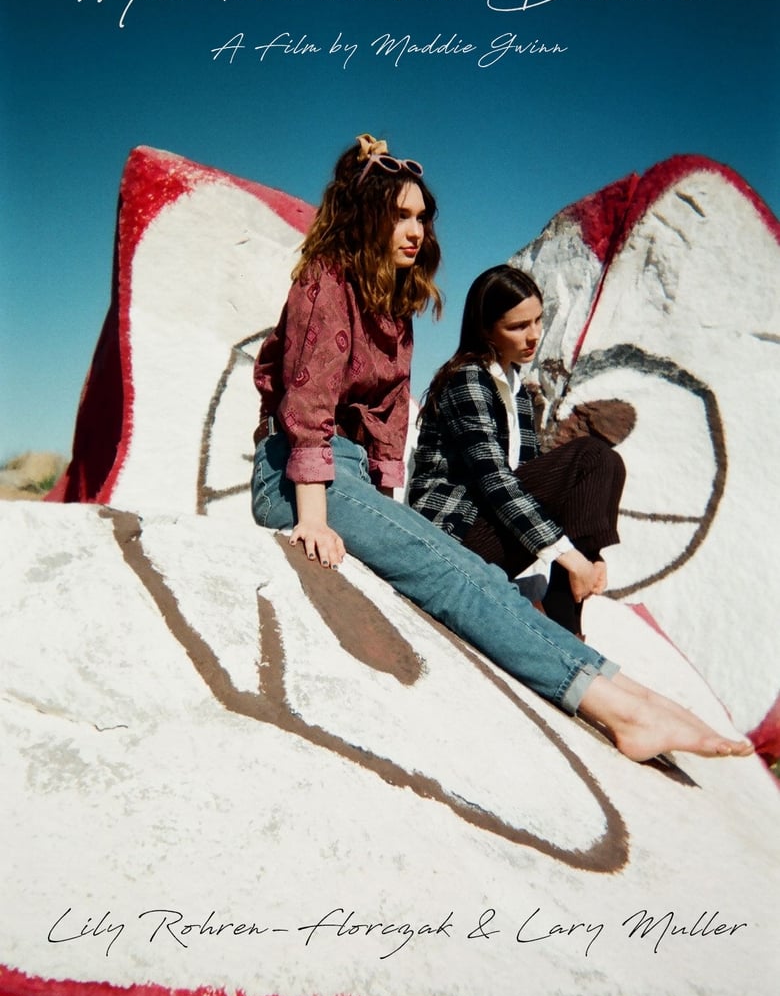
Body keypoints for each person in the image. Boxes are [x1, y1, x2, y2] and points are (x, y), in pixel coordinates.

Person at [250, 133, 752, 763]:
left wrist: (383, 510)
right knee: (453, 576)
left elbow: (385, 428)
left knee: (478, 574)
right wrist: (315, 518)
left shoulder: (395, 308)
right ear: (365, 217)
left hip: (347, 480)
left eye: (421, 216)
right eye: (400, 214)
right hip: (297, 479)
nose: (416, 229)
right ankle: (618, 708)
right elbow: (307, 405)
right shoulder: (328, 281)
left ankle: (631, 693)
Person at [409, 264, 624, 637]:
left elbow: (535, 479)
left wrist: (590, 553)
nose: (533, 336)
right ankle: (564, 620)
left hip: (485, 529)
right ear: (485, 329)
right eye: (517, 326)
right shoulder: (467, 378)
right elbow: (496, 481)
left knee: (608, 461)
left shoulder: (517, 392)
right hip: (451, 536)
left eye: (538, 321)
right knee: (591, 456)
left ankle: (566, 627)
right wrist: (568, 556)